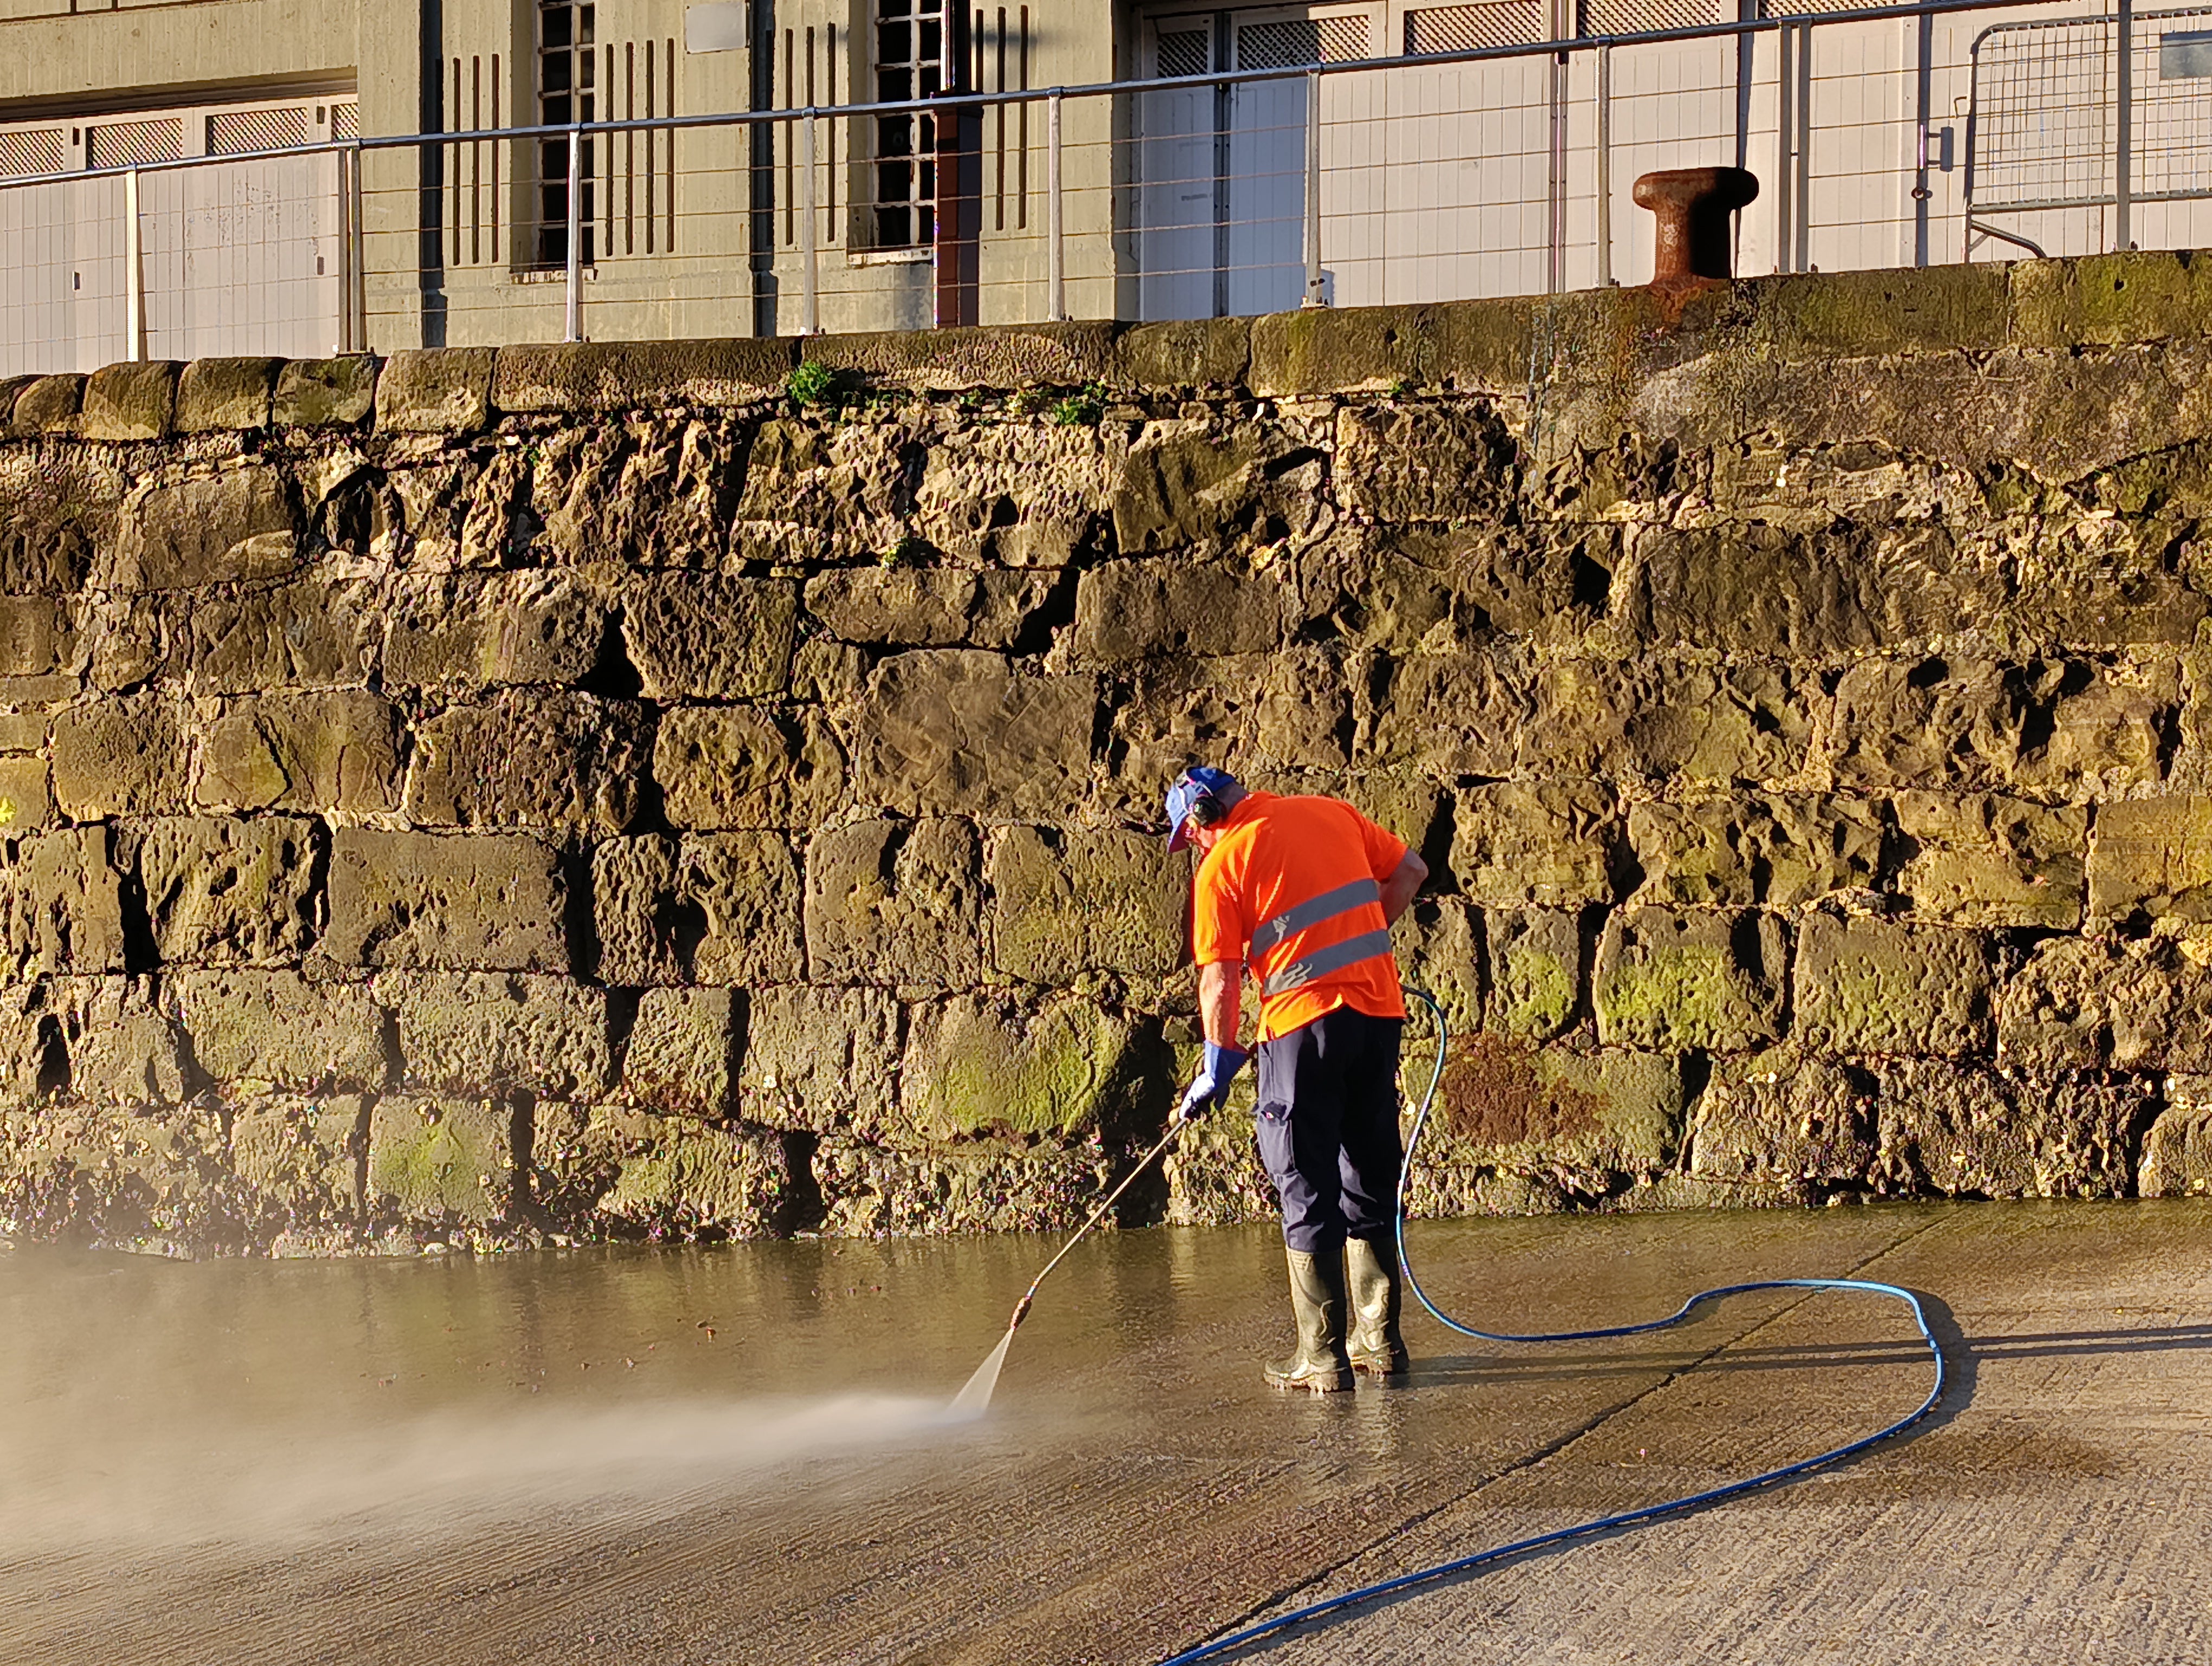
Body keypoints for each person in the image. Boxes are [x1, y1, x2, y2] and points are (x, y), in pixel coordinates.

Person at [1165, 765, 1430, 1393]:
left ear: (1202, 819)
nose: (1194, 848)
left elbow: (1220, 979)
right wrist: (1354, 947)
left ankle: (1321, 1354)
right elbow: (1411, 872)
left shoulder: (1223, 864)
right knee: (1368, 1164)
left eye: (1191, 836)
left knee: (1302, 1173)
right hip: (1377, 1013)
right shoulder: (1330, 812)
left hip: (1302, 1026)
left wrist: (1217, 1063)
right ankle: (1380, 1342)